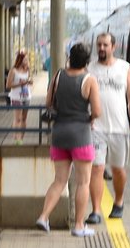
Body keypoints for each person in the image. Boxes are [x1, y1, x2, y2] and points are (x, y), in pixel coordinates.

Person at [36, 44, 102, 236]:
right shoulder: (89, 80)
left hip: (59, 134)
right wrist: (88, 118)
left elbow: (48, 103)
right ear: (87, 61)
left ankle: (43, 217)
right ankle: (79, 226)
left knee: (59, 181)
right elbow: (97, 111)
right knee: (83, 182)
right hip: (81, 135)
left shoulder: (57, 76)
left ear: (69, 58)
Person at [86, 32, 130, 224]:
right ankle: (95, 210)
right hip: (96, 128)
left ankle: (118, 202)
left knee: (118, 170)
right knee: (97, 169)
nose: (101, 48)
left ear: (113, 47)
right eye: (99, 45)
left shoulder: (124, 68)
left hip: (120, 128)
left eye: (105, 45)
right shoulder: (90, 69)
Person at [6, 50, 33, 144]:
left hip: (27, 96)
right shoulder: (13, 70)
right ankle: (17, 139)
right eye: (25, 59)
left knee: (24, 118)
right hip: (16, 97)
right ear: (20, 60)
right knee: (17, 118)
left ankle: (21, 137)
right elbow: (8, 85)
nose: (26, 61)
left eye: (27, 59)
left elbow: (28, 82)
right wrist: (20, 84)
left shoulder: (27, 70)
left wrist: (29, 82)